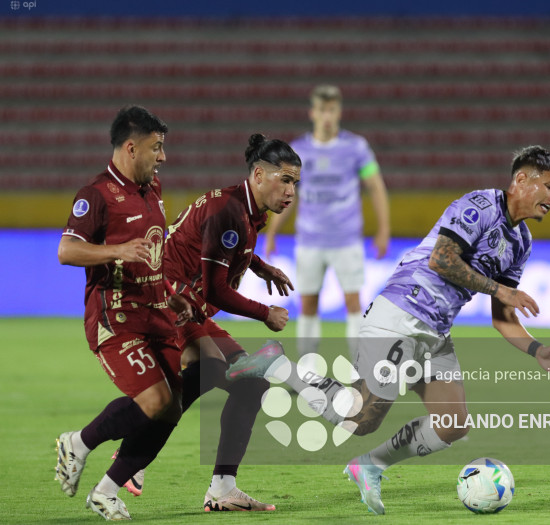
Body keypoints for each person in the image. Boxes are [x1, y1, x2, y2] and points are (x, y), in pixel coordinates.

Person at [228, 145, 550, 515]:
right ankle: (276, 365)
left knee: (453, 423)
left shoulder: (521, 242)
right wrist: (500, 288)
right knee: (359, 419)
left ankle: (370, 466)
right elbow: (441, 259)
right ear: (522, 179)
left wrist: (536, 349)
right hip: (403, 311)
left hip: (435, 330)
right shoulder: (480, 206)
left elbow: (503, 317)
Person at [116, 134, 301, 512]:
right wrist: (266, 313)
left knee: (247, 385)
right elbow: (217, 290)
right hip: (168, 299)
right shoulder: (229, 212)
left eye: (296, 182)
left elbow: (224, 251)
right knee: (210, 368)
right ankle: (128, 453)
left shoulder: (248, 210)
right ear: (259, 173)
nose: (291, 190)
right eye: (285, 179)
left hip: (189, 305)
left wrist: (260, 266)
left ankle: (222, 488)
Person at [55, 105, 192, 521]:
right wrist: (115, 249)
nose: (163, 157)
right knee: (154, 400)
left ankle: (106, 490)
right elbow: (66, 251)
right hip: (115, 318)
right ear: (131, 148)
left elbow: (151, 255)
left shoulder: (153, 189)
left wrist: (170, 294)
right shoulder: (95, 195)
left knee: (173, 407)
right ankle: (78, 442)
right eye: (157, 148)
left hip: (156, 314)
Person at [265, 84, 390, 361]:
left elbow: (376, 186)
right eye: (322, 110)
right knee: (308, 303)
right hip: (309, 240)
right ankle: (309, 368)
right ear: (313, 113)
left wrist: (383, 229)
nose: (327, 116)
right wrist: (272, 231)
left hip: (346, 239)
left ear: (339, 112)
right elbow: (288, 195)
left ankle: (361, 367)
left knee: (353, 303)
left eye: (332, 110)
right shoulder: (298, 151)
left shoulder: (356, 147)